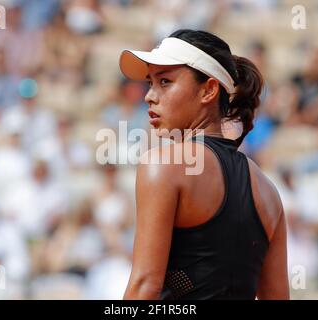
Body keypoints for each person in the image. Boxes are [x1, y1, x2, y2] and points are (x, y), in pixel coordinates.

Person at [119, 29, 289, 300]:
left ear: (208, 90)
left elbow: (144, 288)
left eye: (165, 81)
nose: (149, 96)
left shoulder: (164, 164)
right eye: (150, 82)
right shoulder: (268, 190)